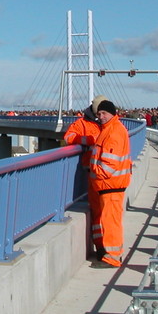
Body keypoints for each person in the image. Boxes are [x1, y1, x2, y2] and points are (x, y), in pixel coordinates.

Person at [88, 99, 132, 268]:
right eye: (98, 114)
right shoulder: (109, 129)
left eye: (104, 113)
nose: (101, 117)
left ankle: (113, 257)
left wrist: (95, 173)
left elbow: (109, 166)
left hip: (111, 185)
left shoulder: (114, 132)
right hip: (108, 186)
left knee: (111, 222)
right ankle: (107, 252)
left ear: (112, 113)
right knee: (107, 220)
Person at [64, 97, 105, 260]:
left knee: (106, 214)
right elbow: (68, 137)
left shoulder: (109, 124)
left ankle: (106, 246)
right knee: (97, 212)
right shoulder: (82, 124)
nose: (102, 116)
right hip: (92, 172)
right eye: (100, 112)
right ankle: (101, 246)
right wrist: (87, 140)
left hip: (107, 177)